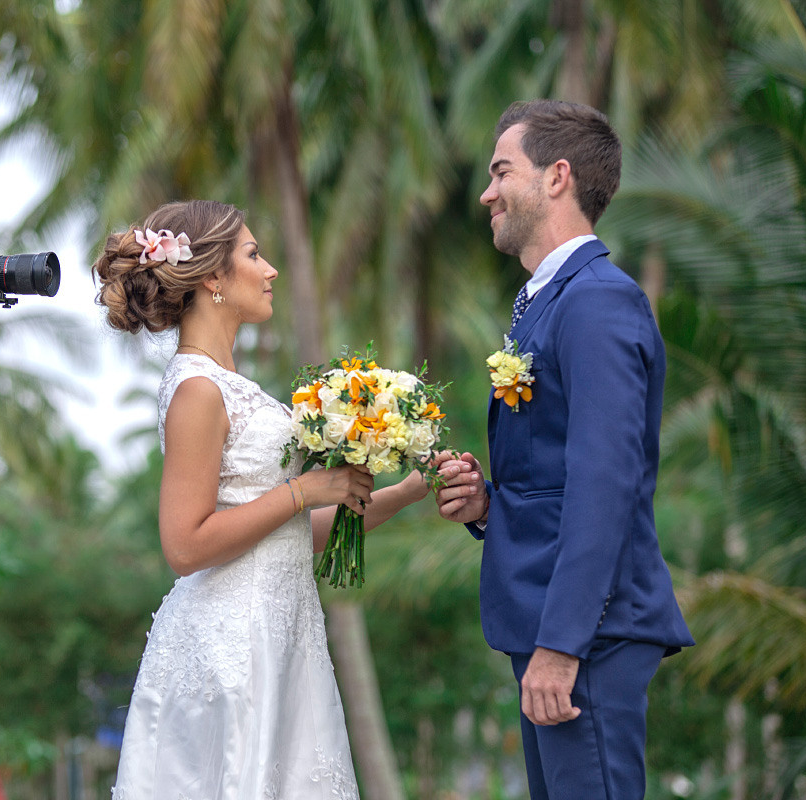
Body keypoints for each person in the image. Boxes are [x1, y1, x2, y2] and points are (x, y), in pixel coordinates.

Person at [94, 200, 433, 798]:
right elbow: (184, 544)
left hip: (284, 644)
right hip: (232, 652)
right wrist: (302, 490)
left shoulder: (234, 386)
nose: (270, 269)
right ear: (212, 279)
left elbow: (292, 532)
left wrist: (409, 489)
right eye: (254, 254)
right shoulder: (198, 390)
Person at [433, 100, 695, 799]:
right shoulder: (547, 304)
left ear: (557, 177)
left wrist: (563, 644)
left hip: (588, 638)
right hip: (555, 629)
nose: (486, 192)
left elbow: (605, 484)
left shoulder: (597, 301)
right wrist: (488, 502)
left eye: (501, 171)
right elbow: (559, 472)